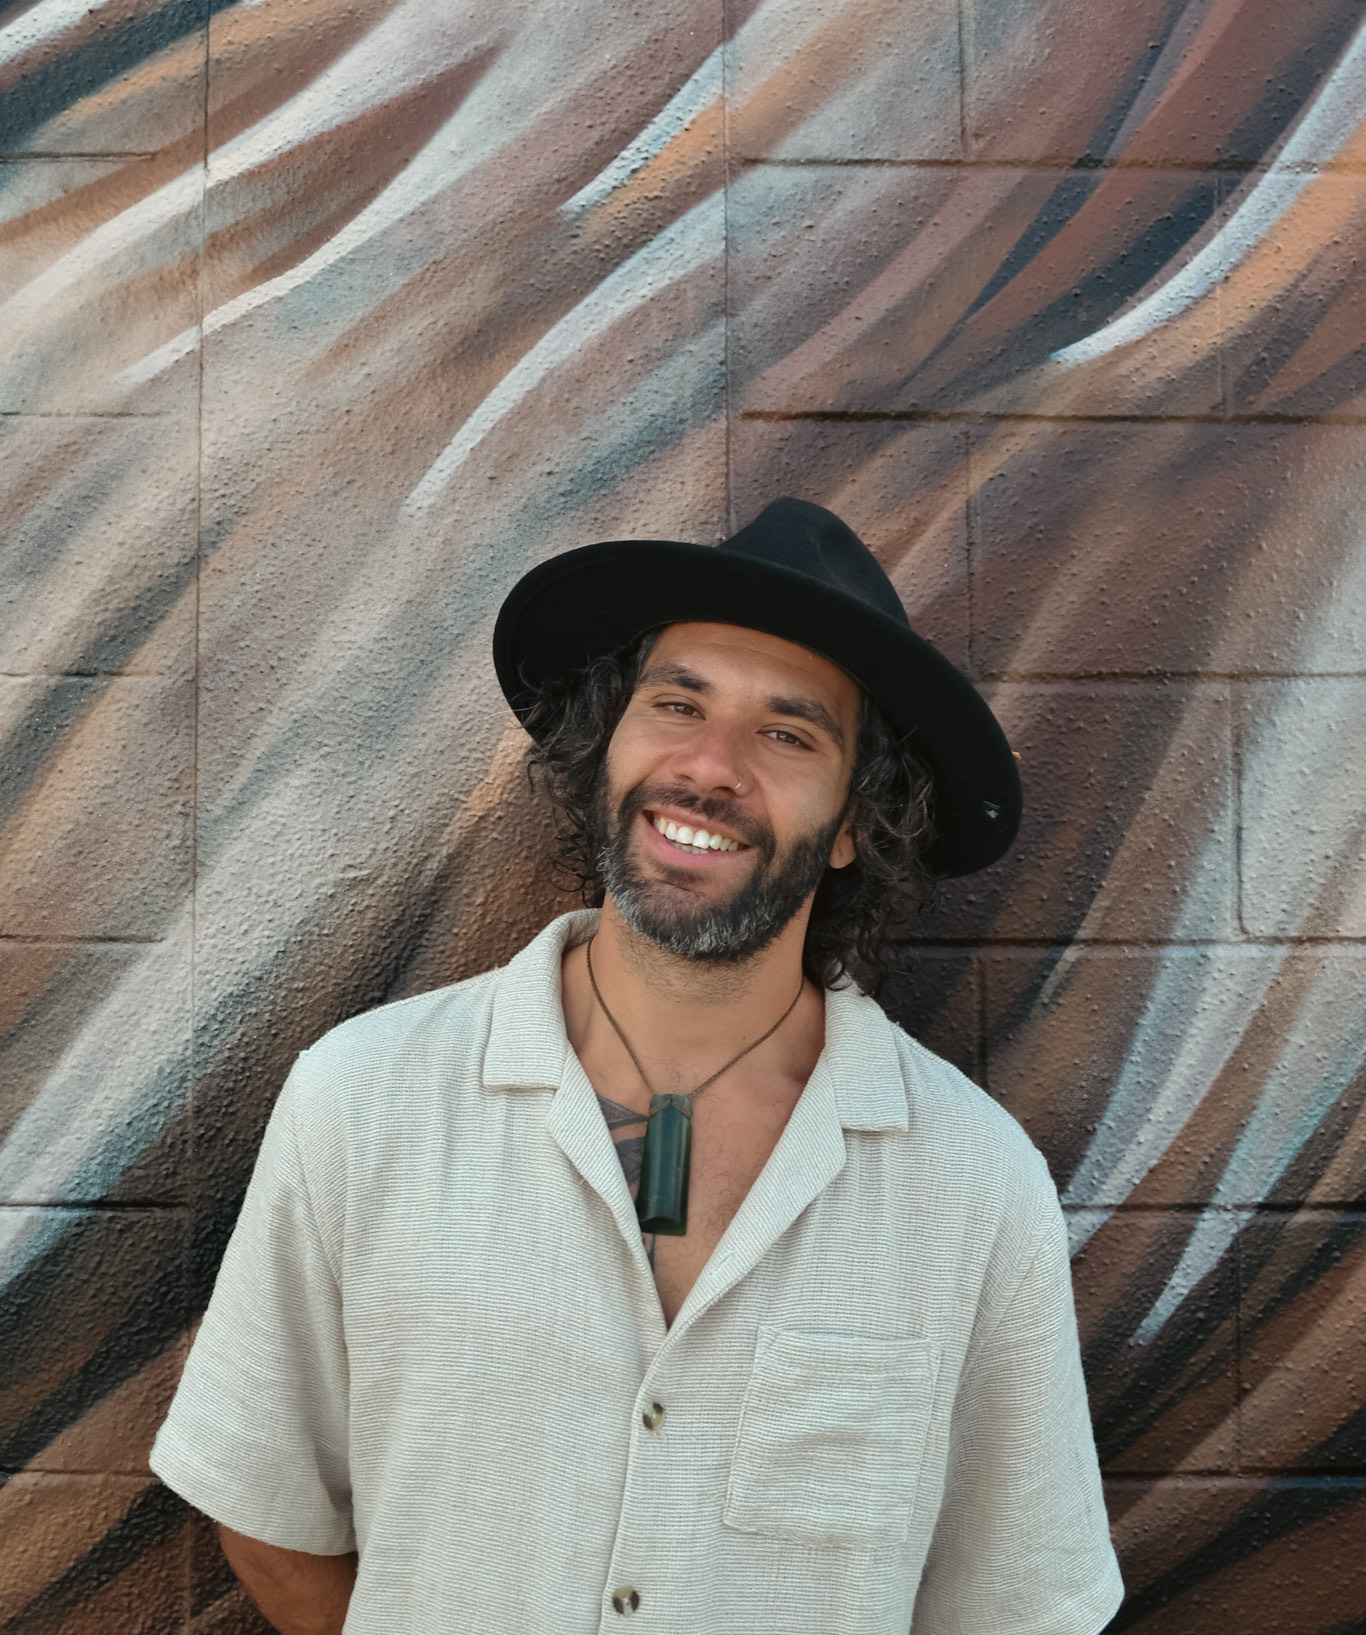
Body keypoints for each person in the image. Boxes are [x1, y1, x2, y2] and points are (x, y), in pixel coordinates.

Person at [151, 498, 1124, 1635]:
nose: (708, 768)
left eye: (787, 733)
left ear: (857, 821)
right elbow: (266, 1506)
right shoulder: (362, 1101)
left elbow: (1018, 1607)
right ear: (605, 744)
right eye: (676, 705)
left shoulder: (972, 1187)